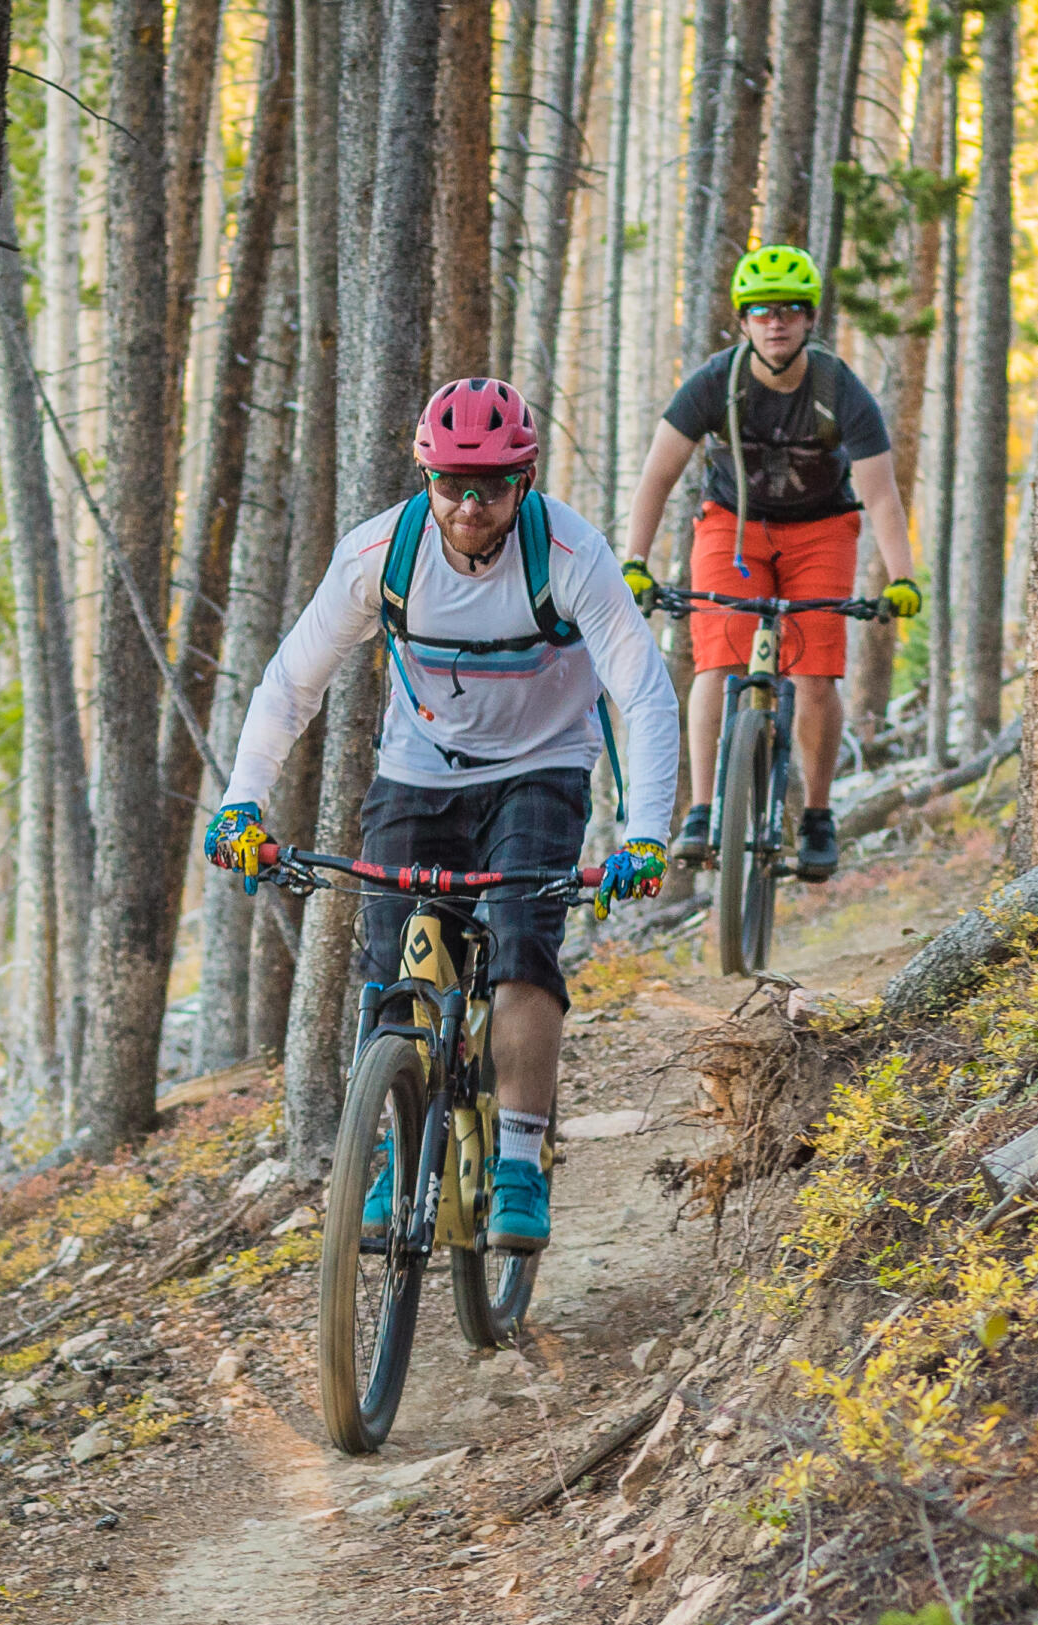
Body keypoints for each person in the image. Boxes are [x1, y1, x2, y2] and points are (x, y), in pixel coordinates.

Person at [201, 378, 677, 1252]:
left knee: (522, 947)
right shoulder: (382, 554)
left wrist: (645, 831)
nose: (468, 503)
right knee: (390, 971)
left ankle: (521, 1161)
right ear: (426, 476)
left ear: (523, 482)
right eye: (452, 482)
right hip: (419, 769)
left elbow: (642, 695)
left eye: (490, 485)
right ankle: (392, 1148)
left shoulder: (571, 555)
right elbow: (291, 682)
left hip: (543, 764)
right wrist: (242, 802)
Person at [620, 245, 922, 883]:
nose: (775, 323)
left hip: (822, 531)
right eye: (761, 312)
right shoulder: (714, 382)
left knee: (816, 674)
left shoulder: (840, 388)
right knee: (717, 659)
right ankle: (703, 811)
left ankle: (816, 814)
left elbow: (880, 493)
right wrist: (634, 561)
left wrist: (901, 578)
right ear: (744, 321)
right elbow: (658, 475)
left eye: (788, 311)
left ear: (810, 319)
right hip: (733, 527)